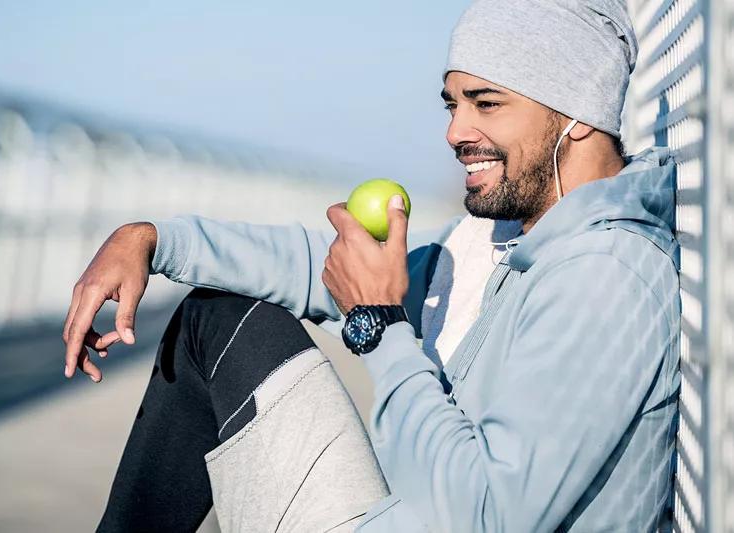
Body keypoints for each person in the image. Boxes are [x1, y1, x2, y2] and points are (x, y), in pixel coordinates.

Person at [63, 1, 681, 531]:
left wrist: (380, 324)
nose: (455, 132)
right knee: (216, 311)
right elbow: (322, 267)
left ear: (576, 113)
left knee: (209, 325)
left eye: (486, 103)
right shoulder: (505, 241)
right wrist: (153, 240)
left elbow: (488, 516)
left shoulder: (603, 275)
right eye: (452, 105)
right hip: (399, 510)